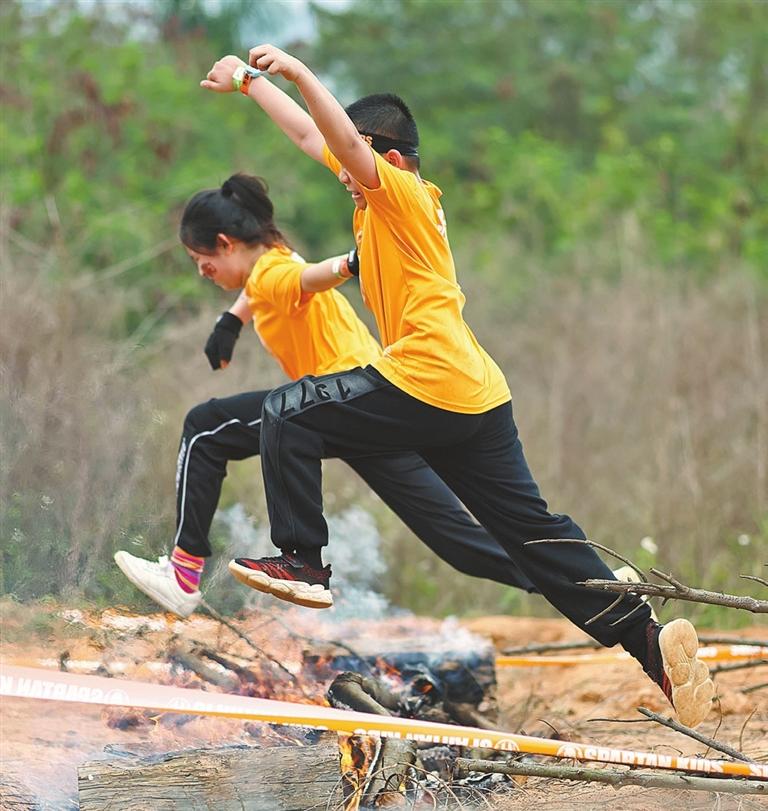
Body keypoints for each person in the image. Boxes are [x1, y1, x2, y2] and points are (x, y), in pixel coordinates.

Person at [198, 49, 714, 728]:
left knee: (287, 414)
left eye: (356, 167)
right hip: (476, 394)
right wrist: (248, 83)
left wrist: (294, 71)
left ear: (390, 157)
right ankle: (650, 642)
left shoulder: (400, 193)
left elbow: (343, 142)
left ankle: (303, 563)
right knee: (533, 535)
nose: (346, 180)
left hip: (426, 376)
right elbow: (311, 135)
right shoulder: (384, 200)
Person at [114, 172, 544, 618]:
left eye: (201, 261)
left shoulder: (272, 273)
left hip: (336, 399)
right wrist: (233, 320)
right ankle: (574, 579)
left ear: (225, 243)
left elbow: (304, 279)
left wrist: (350, 264)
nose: (202, 273)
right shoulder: (271, 261)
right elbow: (272, 281)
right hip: (378, 398)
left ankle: (184, 575)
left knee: (206, 428)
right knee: (456, 540)